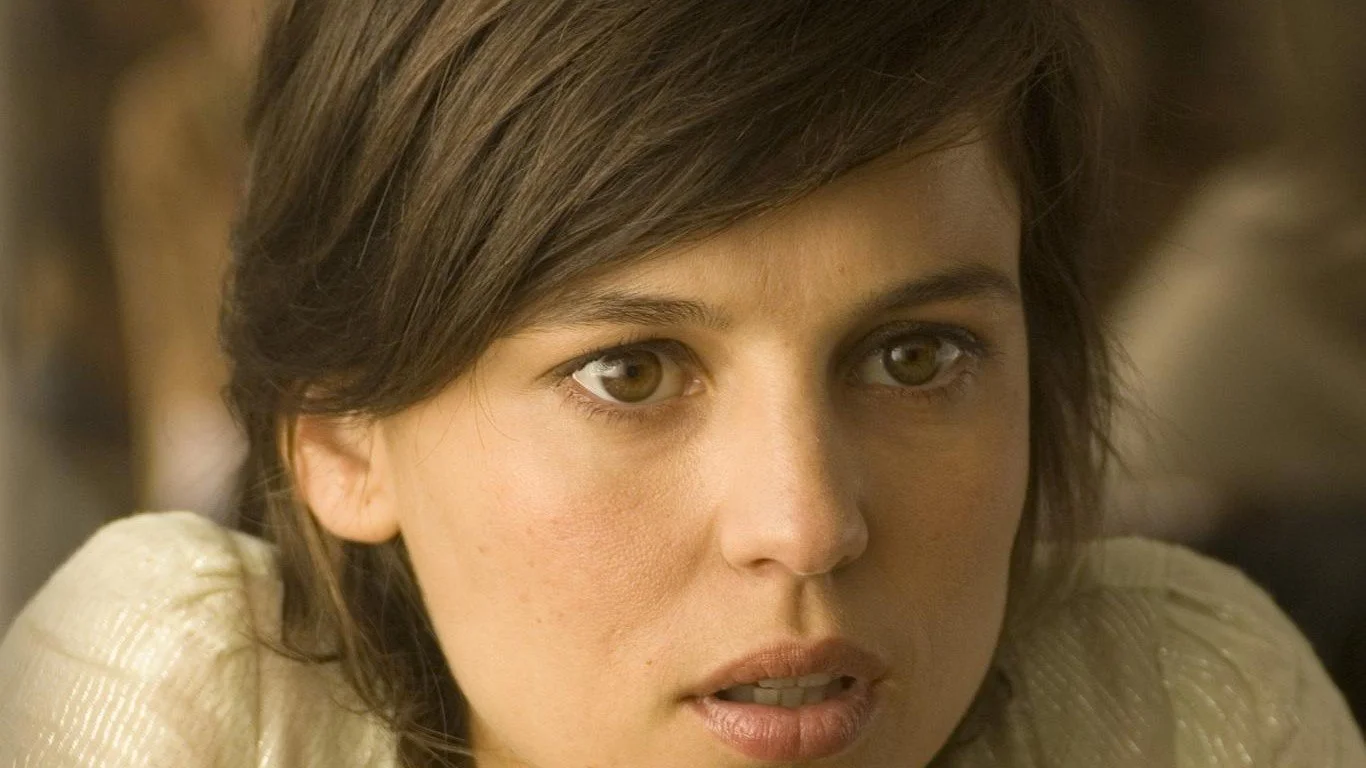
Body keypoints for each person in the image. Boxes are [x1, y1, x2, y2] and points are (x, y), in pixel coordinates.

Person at [1, 1, 1363, 766]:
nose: (807, 524)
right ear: (340, 437)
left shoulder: (1177, 714)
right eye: (631, 372)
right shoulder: (190, 712)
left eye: (916, 357)